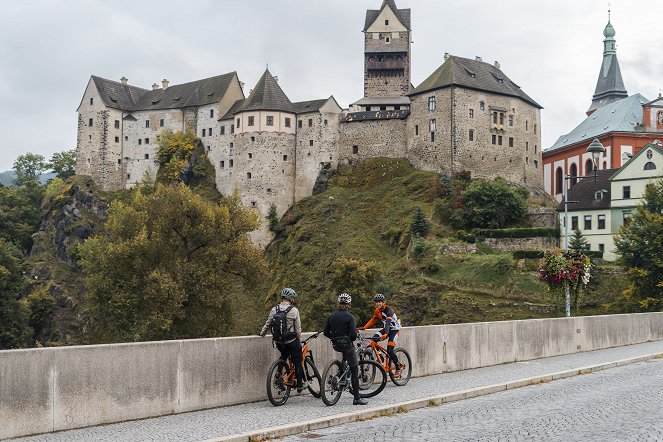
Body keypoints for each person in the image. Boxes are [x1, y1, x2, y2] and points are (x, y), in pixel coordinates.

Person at [323, 293, 368, 406]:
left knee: (345, 356)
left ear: (339, 303)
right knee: (354, 369)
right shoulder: (349, 317)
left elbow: (325, 332)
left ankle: (342, 372)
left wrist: (334, 338)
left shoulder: (331, 316)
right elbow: (353, 334)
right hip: (347, 345)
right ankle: (357, 398)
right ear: (349, 304)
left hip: (336, 345)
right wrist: (349, 339)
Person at [259, 288, 307, 392]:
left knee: (284, 355)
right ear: (291, 299)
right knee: (298, 362)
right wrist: (298, 341)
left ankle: (278, 375)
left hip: (279, 342)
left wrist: (261, 334)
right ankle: (299, 385)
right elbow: (298, 329)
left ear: (282, 298)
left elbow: (268, 324)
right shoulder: (294, 310)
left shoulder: (274, 309)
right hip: (291, 341)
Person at [359, 293, 402, 377]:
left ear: (383, 302)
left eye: (379, 302)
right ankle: (380, 356)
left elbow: (388, 323)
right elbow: (373, 320)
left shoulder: (389, 310)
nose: (378, 303)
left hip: (394, 330)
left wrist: (386, 334)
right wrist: (364, 327)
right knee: (374, 338)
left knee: (390, 350)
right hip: (386, 329)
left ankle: (398, 368)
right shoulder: (377, 311)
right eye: (376, 302)